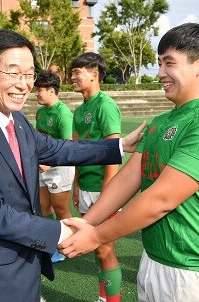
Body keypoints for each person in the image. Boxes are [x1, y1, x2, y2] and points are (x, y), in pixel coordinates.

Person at [0, 29, 145, 302]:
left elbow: (58, 149)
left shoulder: (18, 121)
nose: (23, 84)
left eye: (29, 74)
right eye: (13, 73)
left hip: (27, 261)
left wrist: (119, 146)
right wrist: (64, 231)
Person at [59, 23, 199, 302]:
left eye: (170, 63)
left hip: (194, 273)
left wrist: (95, 236)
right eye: (159, 63)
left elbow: (161, 198)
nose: (160, 73)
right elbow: (129, 178)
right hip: (153, 259)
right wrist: (88, 222)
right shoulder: (161, 121)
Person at [71, 52, 123, 302]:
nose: (72, 77)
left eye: (77, 72)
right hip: (85, 187)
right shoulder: (80, 110)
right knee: (95, 248)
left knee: (104, 249)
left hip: (103, 189)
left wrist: (108, 192)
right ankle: (104, 296)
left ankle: (110, 300)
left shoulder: (105, 105)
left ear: (94, 73)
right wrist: (75, 185)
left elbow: (114, 152)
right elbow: (76, 152)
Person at [34, 70, 74, 263]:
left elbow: (68, 146)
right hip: (42, 166)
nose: (36, 94)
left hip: (59, 167)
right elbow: (40, 137)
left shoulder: (63, 113)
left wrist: (49, 164)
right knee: (43, 206)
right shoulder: (40, 112)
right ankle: (51, 243)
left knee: (60, 208)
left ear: (51, 90)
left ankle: (67, 246)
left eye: (39, 90)